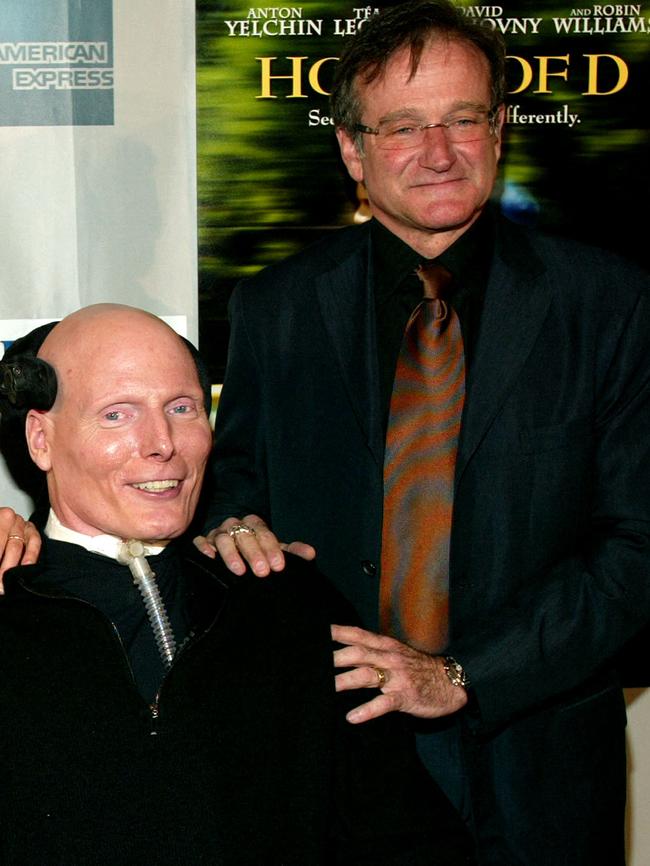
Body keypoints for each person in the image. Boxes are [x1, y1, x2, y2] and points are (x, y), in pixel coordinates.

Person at [2, 2, 649, 863]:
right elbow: (216, 488)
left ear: (500, 129)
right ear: (352, 148)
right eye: (403, 126)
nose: (438, 151)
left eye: (463, 119)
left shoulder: (609, 304)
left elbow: (636, 551)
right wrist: (232, 523)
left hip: (539, 763)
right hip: (320, 770)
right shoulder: (276, 308)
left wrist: (458, 677)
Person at [0, 304, 473, 865]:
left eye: (182, 408)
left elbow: (400, 831)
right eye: (116, 415)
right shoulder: (12, 607)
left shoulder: (284, 599)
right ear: (41, 440)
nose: (162, 443)